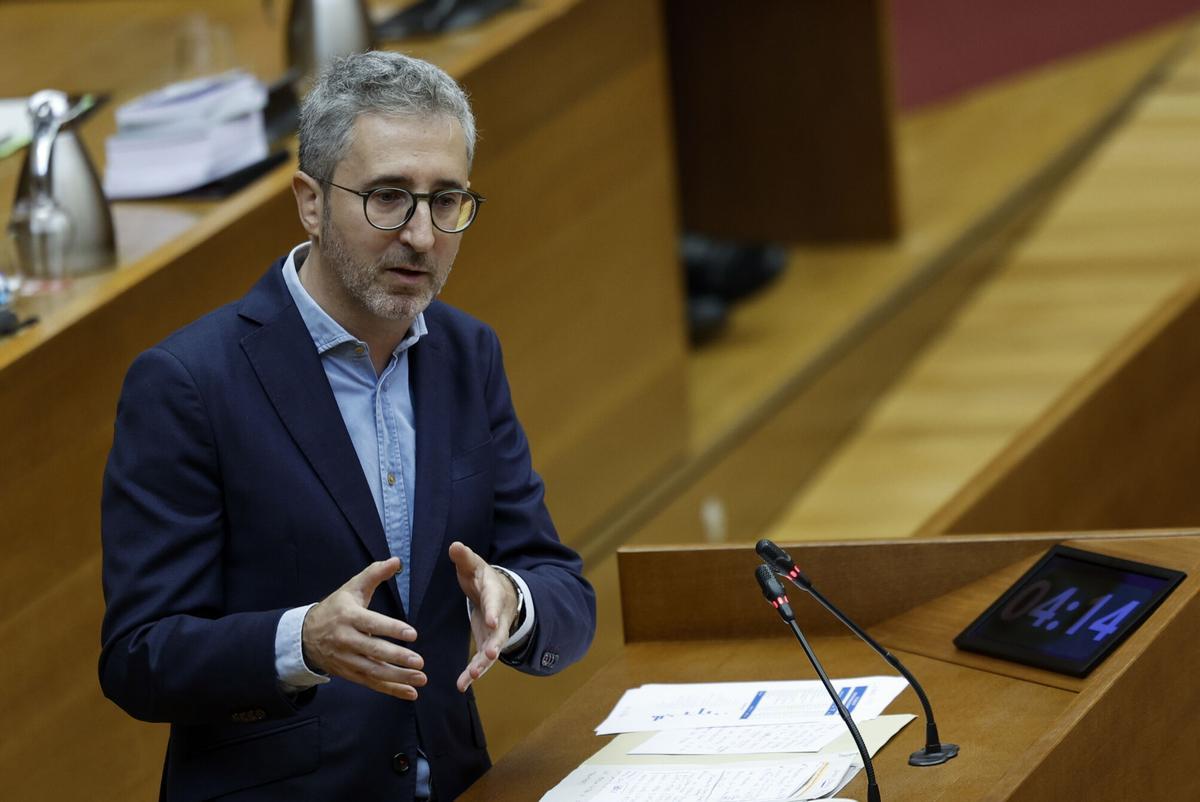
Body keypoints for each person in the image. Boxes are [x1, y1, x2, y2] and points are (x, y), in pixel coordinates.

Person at [99, 51, 596, 801]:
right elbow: (139, 656)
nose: (423, 236)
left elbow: (561, 585)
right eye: (389, 198)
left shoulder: (466, 353)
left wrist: (512, 600)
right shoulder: (189, 383)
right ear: (309, 200)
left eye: (446, 200)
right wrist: (299, 642)